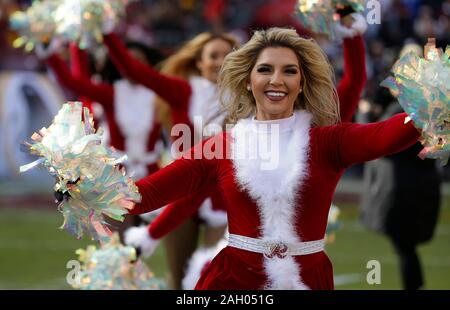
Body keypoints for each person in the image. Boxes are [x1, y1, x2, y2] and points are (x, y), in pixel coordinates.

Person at [125, 27, 420, 290]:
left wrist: (433, 108)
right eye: (265, 69)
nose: (276, 80)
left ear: (302, 82)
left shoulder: (329, 141)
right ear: (248, 80)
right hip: (232, 283)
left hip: (308, 280)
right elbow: (146, 195)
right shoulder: (221, 147)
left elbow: (390, 134)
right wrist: (86, 181)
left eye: (289, 71)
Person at [102, 28, 240, 288]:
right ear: (199, 62)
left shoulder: (245, 97)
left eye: (228, 55)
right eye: (214, 55)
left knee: (218, 278)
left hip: (223, 195)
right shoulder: (182, 91)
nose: (221, 61)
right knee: (178, 279)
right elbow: (135, 71)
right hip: (181, 191)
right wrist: (108, 32)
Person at [37, 38, 167, 239]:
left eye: (139, 61)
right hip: (116, 174)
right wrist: (50, 53)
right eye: (127, 61)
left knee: (146, 236)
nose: (132, 66)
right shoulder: (113, 93)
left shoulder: (161, 94)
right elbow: (73, 82)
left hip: (151, 171)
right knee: (117, 239)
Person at [359, 44, 442, 291]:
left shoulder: (404, 109)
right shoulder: (426, 107)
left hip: (404, 191)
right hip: (422, 187)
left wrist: (364, 113)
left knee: (405, 249)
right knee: (407, 248)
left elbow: (374, 142)